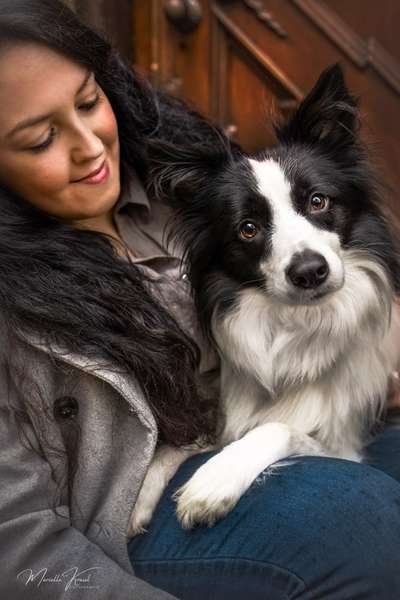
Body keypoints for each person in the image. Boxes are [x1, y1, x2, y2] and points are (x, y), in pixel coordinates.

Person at [0, 2, 399, 599]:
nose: (90, 148)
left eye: (88, 102)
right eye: (40, 139)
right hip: (122, 531)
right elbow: (17, 548)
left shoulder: (177, 184)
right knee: (357, 523)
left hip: (263, 446)